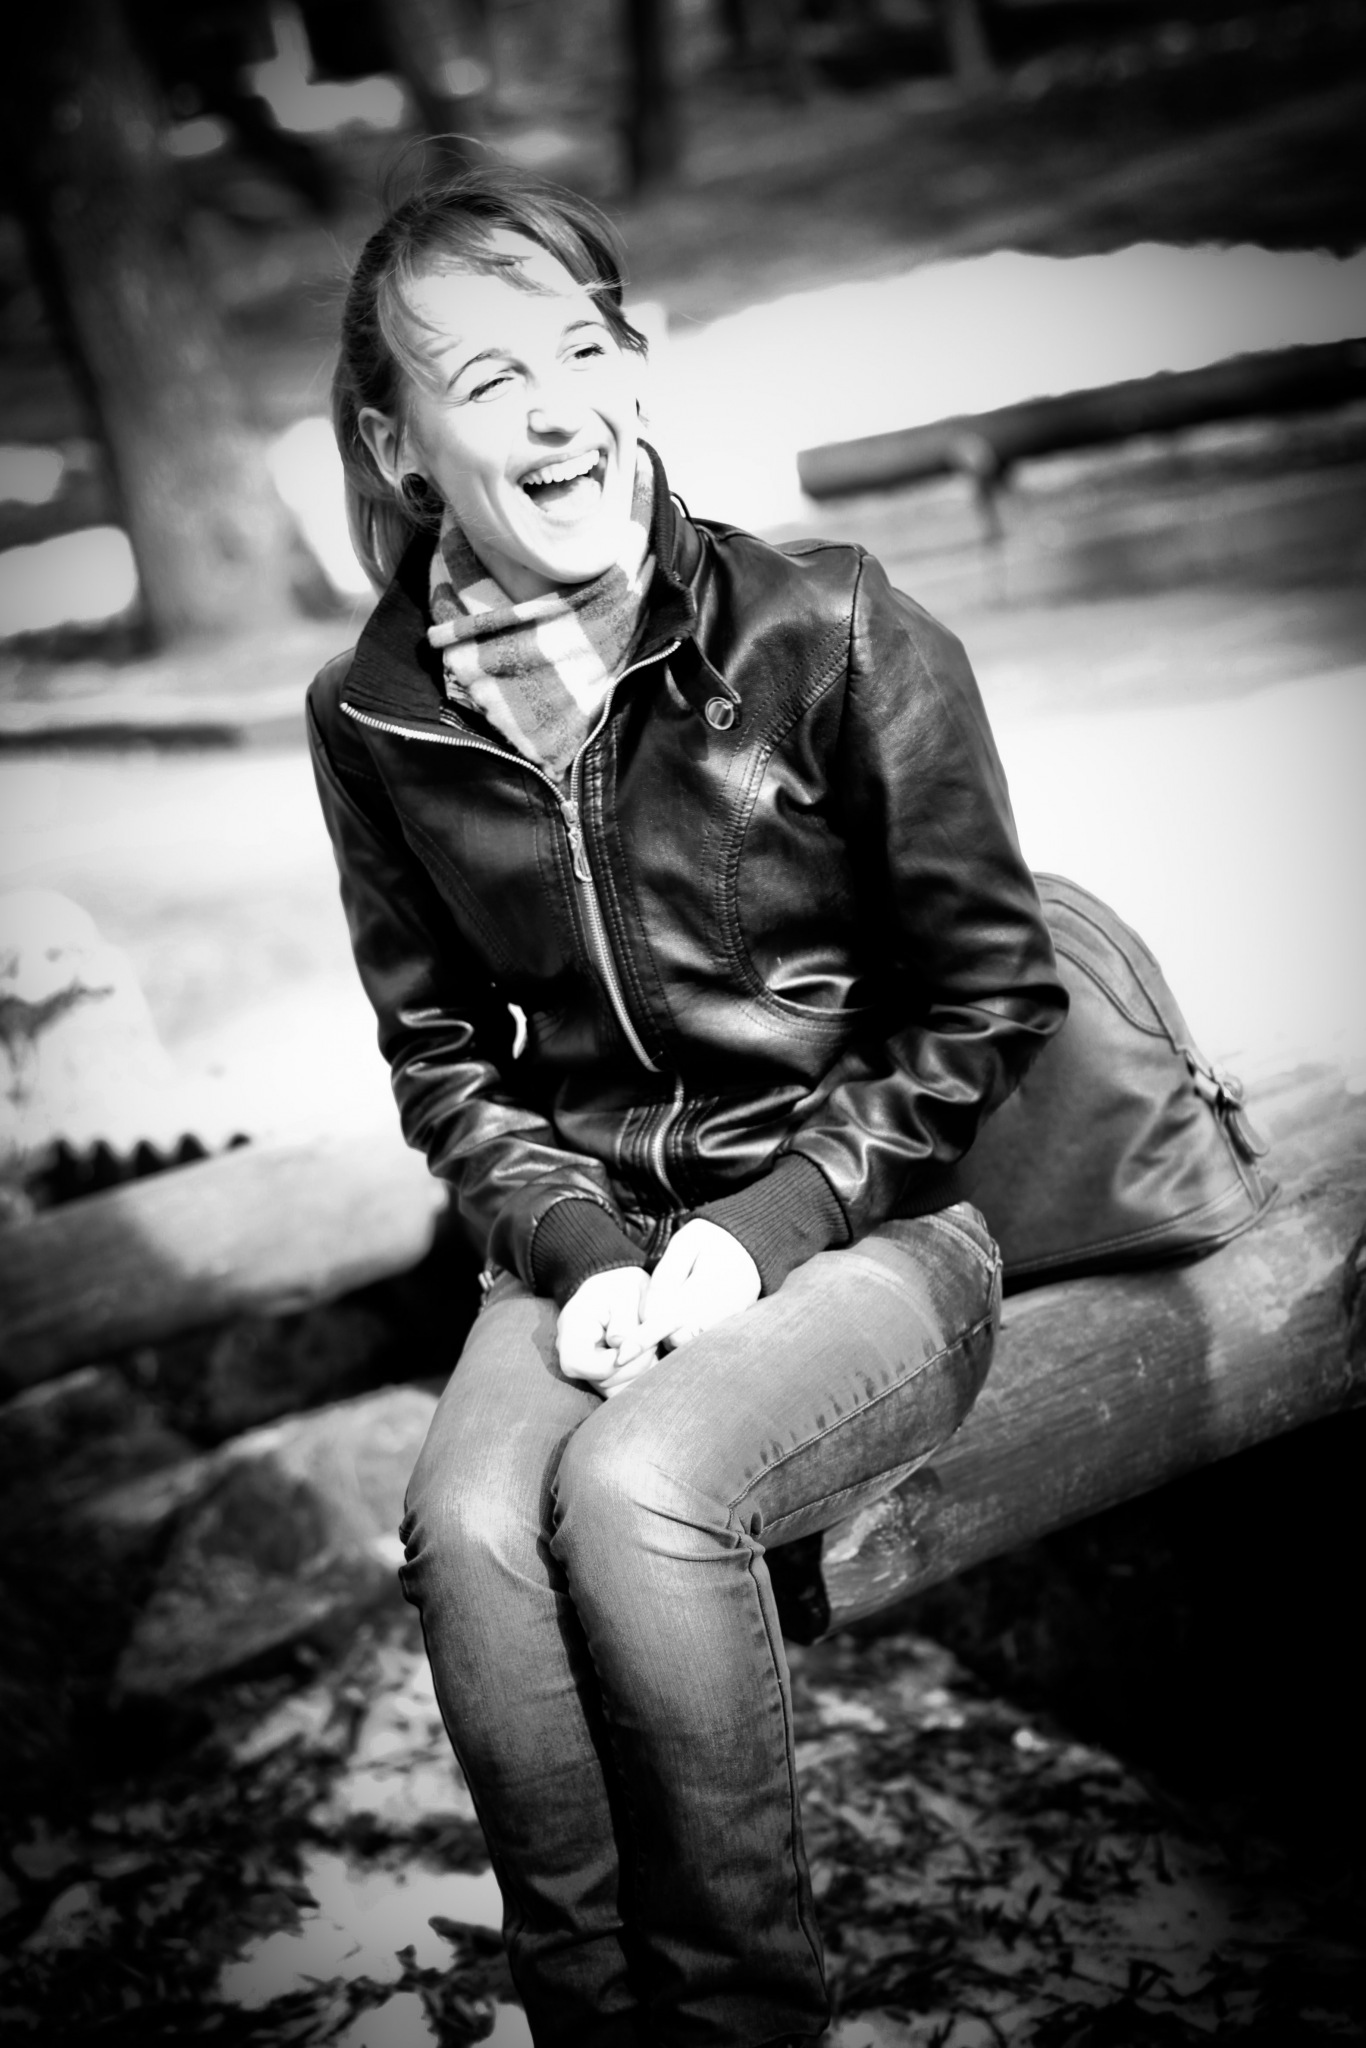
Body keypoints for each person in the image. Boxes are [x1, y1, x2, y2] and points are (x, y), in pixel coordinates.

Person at [309, 161, 1067, 2048]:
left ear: (633, 371)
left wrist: (769, 1225)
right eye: (488, 380)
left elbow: (986, 993)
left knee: (635, 1489)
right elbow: (439, 1050)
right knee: (471, 1529)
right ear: (401, 452)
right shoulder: (375, 712)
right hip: (583, 1244)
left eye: (583, 351)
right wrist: (569, 1247)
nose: (557, 408)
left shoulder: (828, 624)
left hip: (872, 1221)